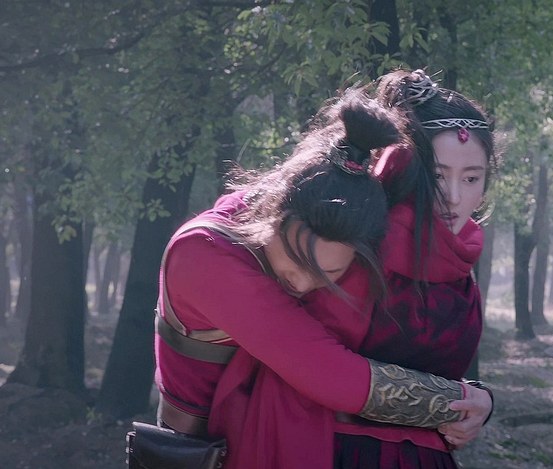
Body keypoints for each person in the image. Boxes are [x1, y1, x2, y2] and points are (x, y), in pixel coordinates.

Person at [154, 89, 492, 469]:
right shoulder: (205, 253)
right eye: (295, 264)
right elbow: (333, 375)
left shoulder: (346, 220)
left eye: (329, 277)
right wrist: (461, 401)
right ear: (274, 220)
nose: (302, 285)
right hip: (202, 451)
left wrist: (473, 398)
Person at [323, 69, 499, 468]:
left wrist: (480, 400)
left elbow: (437, 372)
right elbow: (315, 367)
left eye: (472, 178)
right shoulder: (357, 250)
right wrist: (454, 400)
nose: (454, 196)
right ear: (406, 169)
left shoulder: (460, 258)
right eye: (437, 177)